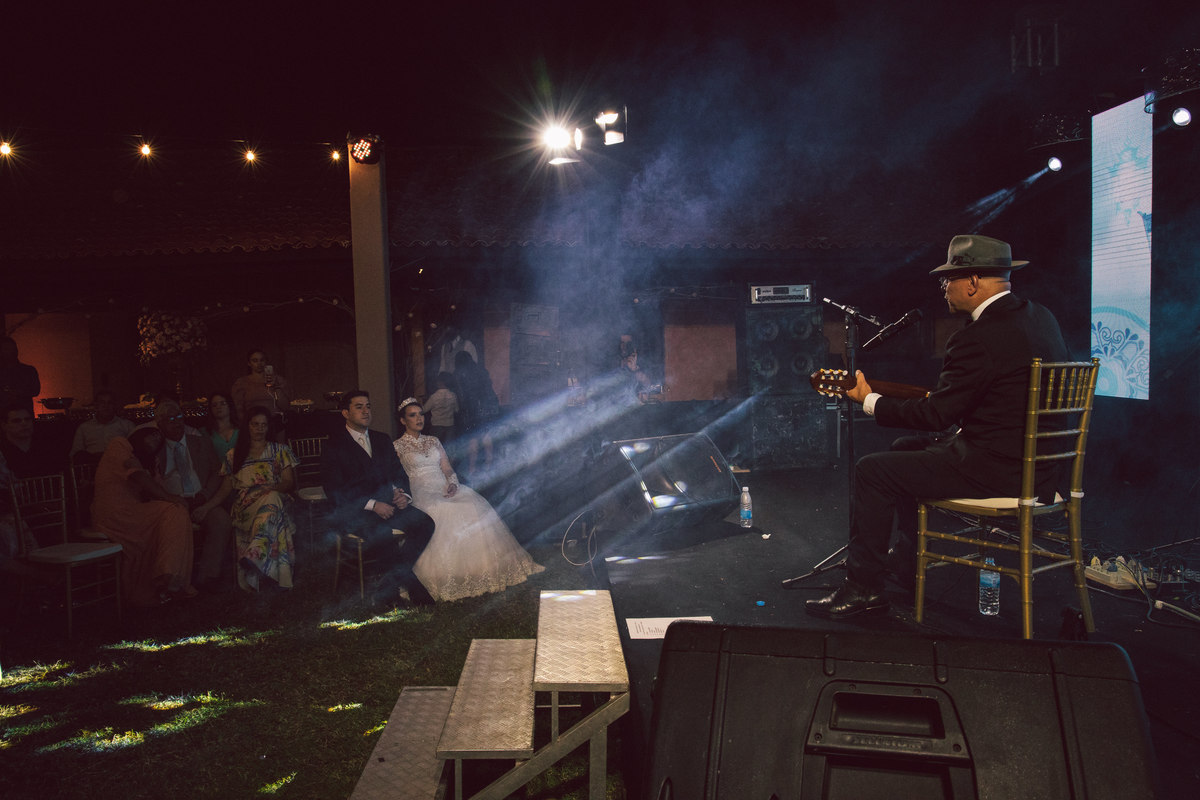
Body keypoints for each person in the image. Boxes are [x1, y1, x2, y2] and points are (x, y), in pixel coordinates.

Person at [806, 234, 1071, 619]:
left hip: (999, 471)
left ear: (973, 283)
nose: (943, 287)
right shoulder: (1041, 317)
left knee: (872, 470)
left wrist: (867, 399)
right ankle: (906, 563)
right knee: (903, 449)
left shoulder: (976, 337)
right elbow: (995, 396)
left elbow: (936, 416)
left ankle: (863, 587)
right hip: (1043, 469)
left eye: (947, 278)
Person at [393, 398, 543, 602]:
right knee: (445, 510)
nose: (419, 418)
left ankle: (484, 570)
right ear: (403, 421)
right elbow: (393, 476)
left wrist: (453, 483)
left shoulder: (433, 440)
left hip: (444, 485)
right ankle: (439, 577)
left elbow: (446, 468)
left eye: (421, 414)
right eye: (413, 415)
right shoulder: (397, 446)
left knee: (471, 503)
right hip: (421, 491)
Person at [321, 390, 436, 604]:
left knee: (425, 523)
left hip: (390, 505)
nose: (366, 411)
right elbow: (334, 488)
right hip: (357, 512)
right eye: (359, 407)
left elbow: (398, 473)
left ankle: (388, 583)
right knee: (383, 533)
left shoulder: (381, 439)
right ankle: (409, 590)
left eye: (368, 406)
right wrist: (372, 505)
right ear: (345, 412)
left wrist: (403, 494)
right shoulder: (334, 445)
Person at [193, 406, 298, 591]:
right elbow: (225, 489)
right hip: (247, 506)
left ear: (268, 427)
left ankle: (254, 557)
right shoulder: (234, 455)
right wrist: (207, 507)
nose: (259, 429)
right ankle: (268, 568)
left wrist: (270, 488)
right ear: (247, 426)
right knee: (272, 510)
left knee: (272, 501)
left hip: (275, 496)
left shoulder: (280, 450)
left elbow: (288, 482)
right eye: (255, 424)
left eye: (263, 425)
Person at [91, 428, 196, 606]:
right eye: (152, 434)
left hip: (136, 512)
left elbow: (157, 488)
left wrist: (174, 497)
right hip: (114, 514)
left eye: (159, 439)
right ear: (139, 434)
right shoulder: (120, 444)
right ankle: (168, 578)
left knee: (175, 511)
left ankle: (167, 578)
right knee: (173, 510)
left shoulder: (148, 461)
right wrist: (169, 498)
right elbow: (138, 476)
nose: (156, 439)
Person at [153, 400, 235, 592]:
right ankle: (176, 581)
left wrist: (204, 496)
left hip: (201, 499)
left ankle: (207, 577)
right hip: (173, 505)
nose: (177, 423)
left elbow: (217, 472)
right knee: (173, 524)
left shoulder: (200, 442)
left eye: (180, 417)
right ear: (160, 425)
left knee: (221, 521)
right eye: (171, 419)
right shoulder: (155, 449)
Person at [453, 351, 500, 477]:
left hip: (474, 409)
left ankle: (472, 467)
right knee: (486, 436)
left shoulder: (464, 374)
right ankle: (489, 463)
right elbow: (489, 390)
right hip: (488, 407)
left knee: (472, 438)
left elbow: (465, 396)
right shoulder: (481, 370)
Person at [0, 400, 65, 478]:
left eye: (27, 419)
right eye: (16, 421)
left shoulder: (47, 448)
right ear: (4, 425)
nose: (24, 424)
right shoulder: (2, 454)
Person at [70, 390, 136, 464]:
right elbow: (75, 453)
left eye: (110, 403)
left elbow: (134, 450)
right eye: (102, 402)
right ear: (96, 405)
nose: (106, 406)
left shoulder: (127, 425)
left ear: (114, 405)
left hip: (119, 464)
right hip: (93, 465)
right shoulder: (84, 428)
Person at [231, 349, 290, 428]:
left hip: (275, 423)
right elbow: (238, 409)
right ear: (249, 363)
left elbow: (285, 406)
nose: (259, 363)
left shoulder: (278, 380)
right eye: (255, 360)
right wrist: (244, 425)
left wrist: (276, 387)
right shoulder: (242, 383)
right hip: (252, 425)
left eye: (262, 360)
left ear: (266, 362)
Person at [0, 335, 40, 408]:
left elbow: (35, 390)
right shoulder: (29, 370)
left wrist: (18, 393)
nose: (11, 352)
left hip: (24, 413)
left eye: (13, 349)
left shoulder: (29, 370)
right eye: (6, 349)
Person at [203, 391, 240, 466]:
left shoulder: (241, 429)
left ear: (230, 405)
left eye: (222, 403)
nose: (218, 407)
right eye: (214, 405)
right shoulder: (204, 432)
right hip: (216, 474)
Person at [423, 372, 459, 443]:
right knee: (449, 448)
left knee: (436, 449)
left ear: (440, 382)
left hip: (436, 426)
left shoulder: (434, 397)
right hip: (449, 425)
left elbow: (424, 410)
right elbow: (456, 410)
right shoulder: (453, 395)